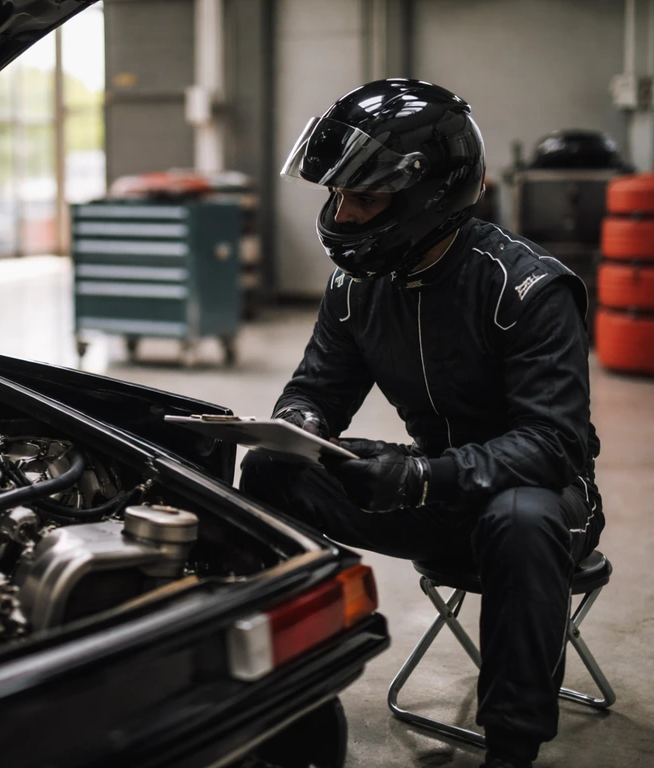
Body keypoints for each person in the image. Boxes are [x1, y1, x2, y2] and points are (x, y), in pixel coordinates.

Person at [239, 79, 604, 768]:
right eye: (338, 195)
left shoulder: (527, 288)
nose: (343, 215)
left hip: (546, 505)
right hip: (434, 491)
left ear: (428, 195)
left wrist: (422, 479)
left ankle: (511, 746)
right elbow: (318, 385)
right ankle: (278, 695)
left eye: (366, 197)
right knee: (267, 469)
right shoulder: (356, 288)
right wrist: (298, 422)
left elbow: (551, 446)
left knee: (520, 516)